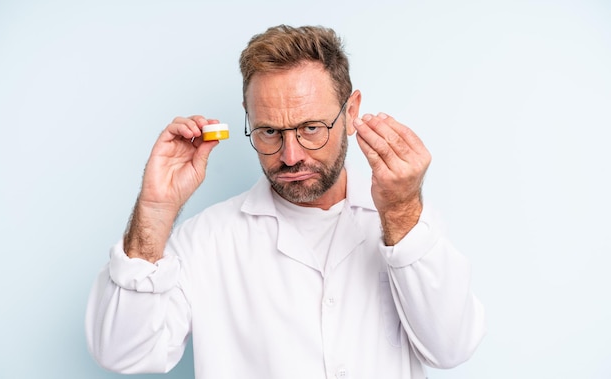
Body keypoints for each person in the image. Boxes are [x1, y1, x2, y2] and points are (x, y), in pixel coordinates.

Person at [85, 24, 485, 378]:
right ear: (248, 117)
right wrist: (155, 211)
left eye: (311, 128)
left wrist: (400, 212)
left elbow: (451, 348)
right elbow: (123, 353)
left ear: (351, 112)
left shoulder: (411, 223)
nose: (291, 155)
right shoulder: (205, 242)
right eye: (269, 132)